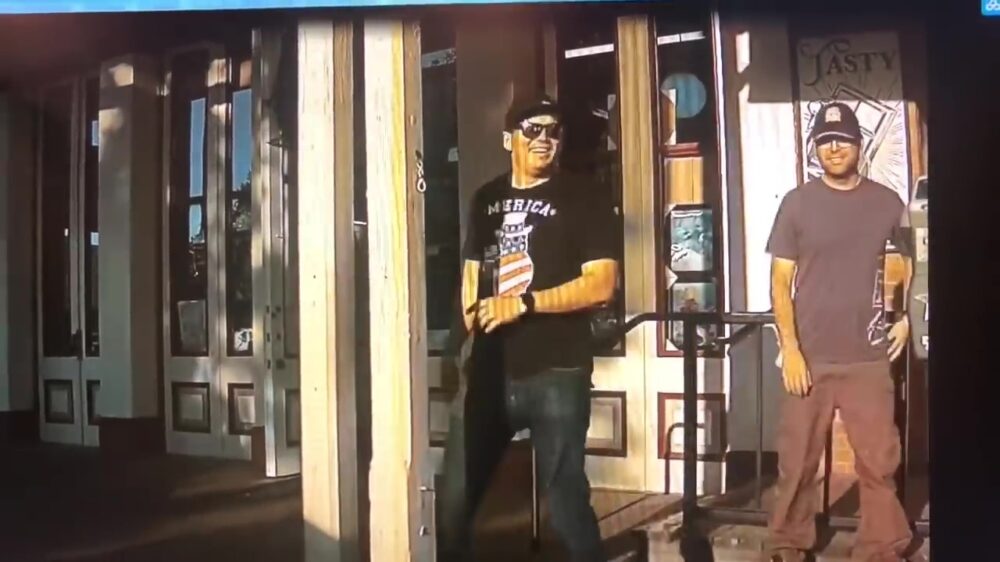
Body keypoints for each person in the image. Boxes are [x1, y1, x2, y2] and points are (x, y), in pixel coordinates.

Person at [437, 94, 618, 562]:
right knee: (453, 504)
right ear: (508, 140)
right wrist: (457, 346)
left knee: (566, 504)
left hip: (557, 371)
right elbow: (471, 279)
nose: (544, 139)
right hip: (488, 373)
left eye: (553, 131)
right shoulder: (486, 199)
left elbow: (601, 284)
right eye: (532, 129)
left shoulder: (585, 196)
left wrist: (525, 303)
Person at [764, 102, 918, 562]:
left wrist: (907, 317)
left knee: (878, 463)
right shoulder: (797, 203)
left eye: (843, 139)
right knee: (797, 463)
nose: (834, 148)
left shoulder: (887, 203)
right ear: (816, 148)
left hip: (868, 356)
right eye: (825, 141)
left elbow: (913, 262)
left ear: (859, 145)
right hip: (809, 357)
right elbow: (780, 282)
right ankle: (788, 544)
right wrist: (790, 348)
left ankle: (882, 548)